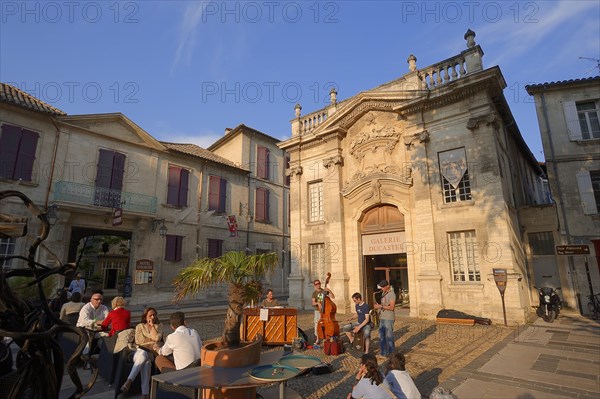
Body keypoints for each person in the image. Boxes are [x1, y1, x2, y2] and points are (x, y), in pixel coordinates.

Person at [120, 307, 164, 398]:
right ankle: (145, 393)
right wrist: (150, 339)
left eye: (154, 315)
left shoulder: (159, 326)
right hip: (139, 352)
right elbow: (138, 341)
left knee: (146, 360)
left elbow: (157, 338)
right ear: (145, 317)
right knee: (145, 358)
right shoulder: (140, 326)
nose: (152, 317)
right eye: (150, 315)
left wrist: (152, 327)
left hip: (151, 353)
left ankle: (129, 381)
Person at [374, 279, 396, 356]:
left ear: (387, 286)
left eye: (383, 287)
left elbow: (392, 307)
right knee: (381, 335)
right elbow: (384, 304)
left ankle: (391, 353)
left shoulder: (392, 294)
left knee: (389, 336)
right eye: (381, 287)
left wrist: (380, 306)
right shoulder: (383, 293)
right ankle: (383, 352)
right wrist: (379, 307)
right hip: (382, 317)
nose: (381, 288)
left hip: (388, 318)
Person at [311, 278, 334, 346]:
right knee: (317, 325)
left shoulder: (324, 291)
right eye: (316, 284)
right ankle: (318, 339)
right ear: (314, 286)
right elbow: (313, 303)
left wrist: (329, 290)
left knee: (327, 324)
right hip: (318, 311)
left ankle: (327, 336)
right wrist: (318, 303)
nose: (318, 285)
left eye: (319, 283)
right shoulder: (314, 293)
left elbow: (333, 297)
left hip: (325, 311)